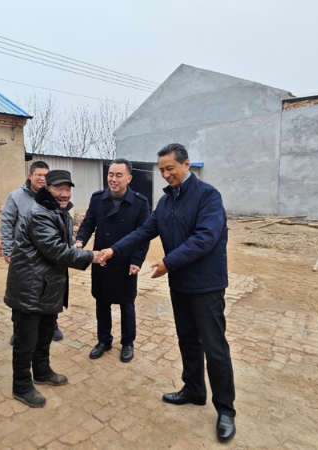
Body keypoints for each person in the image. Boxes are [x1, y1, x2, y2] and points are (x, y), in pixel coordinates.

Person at [100, 143, 237, 442]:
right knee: (187, 340)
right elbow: (143, 232)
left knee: (214, 347)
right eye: (161, 170)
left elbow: (205, 238)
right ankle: (194, 390)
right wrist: (114, 250)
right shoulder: (165, 202)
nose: (165, 174)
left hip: (206, 285)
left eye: (170, 168)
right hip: (181, 284)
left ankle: (226, 409)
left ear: (186, 164)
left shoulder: (207, 196)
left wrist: (167, 262)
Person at [4, 170, 104, 408]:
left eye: (68, 189)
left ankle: (42, 371)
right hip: (30, 288)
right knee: (26, 340)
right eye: (59, 188)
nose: (65, 194)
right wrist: (91, 256)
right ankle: (21, 386)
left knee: (45, 333)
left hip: (47, 286)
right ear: (47, 189)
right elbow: (55, 250)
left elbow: (62, 246)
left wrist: (74, 247)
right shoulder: (40, 213)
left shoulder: (60, 213)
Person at [75, 158, 149, 363]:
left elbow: (143, 235)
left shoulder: (140, 203)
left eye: (118, 175)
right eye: (110, 174)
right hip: (101, 259)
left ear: (129, 178)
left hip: (125, 261)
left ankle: (128, 343)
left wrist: (137, 260)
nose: (113, 179)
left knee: (127, 303)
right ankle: (104, 340)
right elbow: (88, 224)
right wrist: (80, 240)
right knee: (102, 301)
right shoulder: (98, 198)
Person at [0, 161, 64, 343]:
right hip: (24, 257)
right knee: (22, 293)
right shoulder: (16, 197)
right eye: (39, 175)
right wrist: (8, 250)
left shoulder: (53, 196)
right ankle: (19, 330)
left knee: (50, 290)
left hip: (48, 255)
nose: (43, 179)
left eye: (46, 175)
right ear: (30, 176)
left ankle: (52, 325)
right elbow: (7, 224)